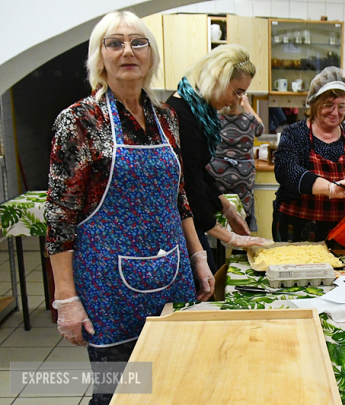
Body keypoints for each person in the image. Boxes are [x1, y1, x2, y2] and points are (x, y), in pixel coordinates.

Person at [45, 11, 213, 404]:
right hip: (108, 286)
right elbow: (59, 216)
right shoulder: (79, 121)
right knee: (120, 391)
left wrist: (199, 258)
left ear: (151, 56)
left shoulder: (167, 119)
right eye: (114, 43)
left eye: (138, 42)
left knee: (173, 382)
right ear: (99, 57)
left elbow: (179, 196)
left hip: (172, 273)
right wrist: (66, 300)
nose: (127, 51)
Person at [166, 44, 270, 273]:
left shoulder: (196, 111)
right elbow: (190, 186)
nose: (237, 100)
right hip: (177, 226)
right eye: (237, 91)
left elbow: (199, 171)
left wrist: (228, 210)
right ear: (218, 79)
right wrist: (233, 239)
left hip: (190, 220)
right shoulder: (181, 115)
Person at [273, 67, 345, 243]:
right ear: (314, 104)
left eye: (341, 106)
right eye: (328, 105)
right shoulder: (295, 134)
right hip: (298, 231)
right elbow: (287, 172)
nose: (335, 113)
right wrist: (330, 189)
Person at [207, 94, 264, 232]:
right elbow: (260, 129)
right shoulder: (249, 119)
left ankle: (219, 243)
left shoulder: (214, 120)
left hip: (217, 173)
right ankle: (239, 246)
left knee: (218, 210)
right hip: (242, 174)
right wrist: (247, 105)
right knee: (241, 214)